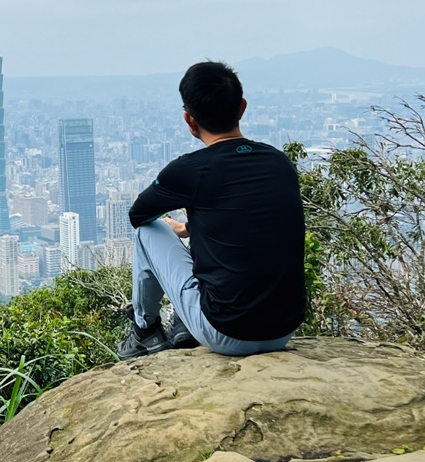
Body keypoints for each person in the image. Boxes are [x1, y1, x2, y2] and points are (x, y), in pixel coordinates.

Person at [118, 61, 306, 360]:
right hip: (284, 330)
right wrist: (189, 227)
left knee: (147, 231)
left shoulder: (190, 169)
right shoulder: (279, 163)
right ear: (242, 108)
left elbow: (138, 215)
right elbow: (243, 216)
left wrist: (174, 225)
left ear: (189, 121)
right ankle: (182, 323)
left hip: (226, 333)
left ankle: (145, 331)